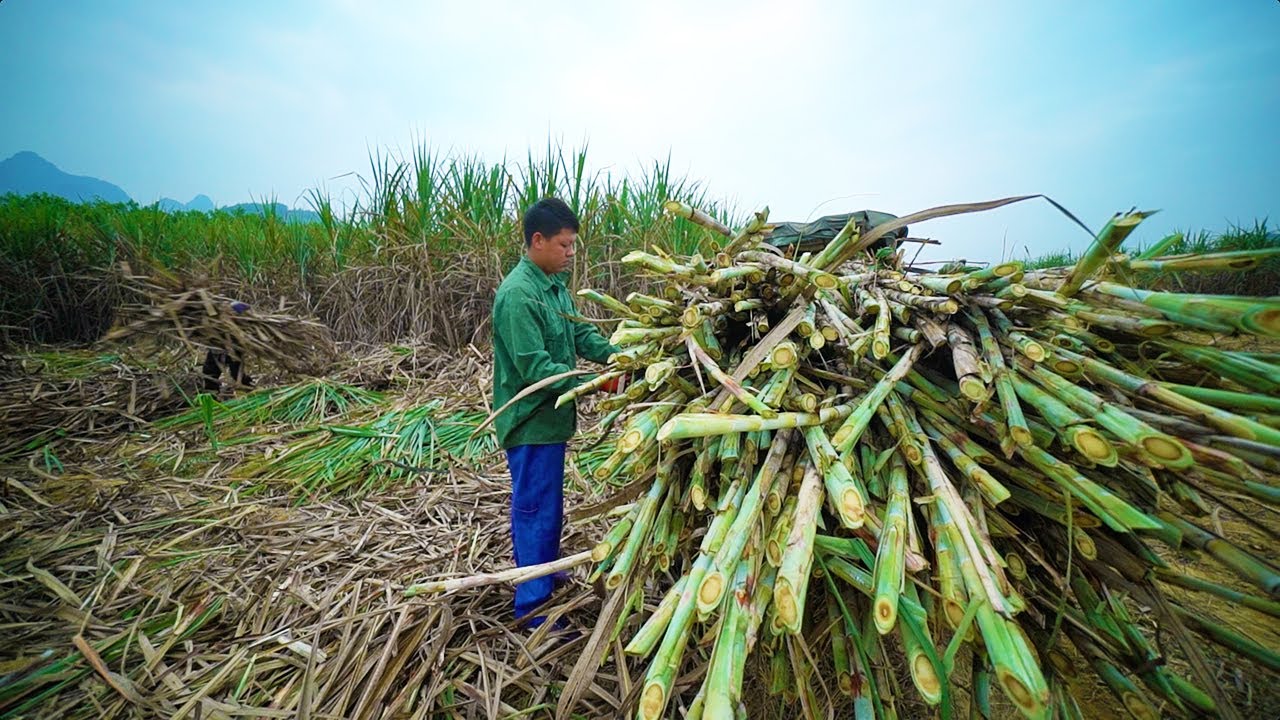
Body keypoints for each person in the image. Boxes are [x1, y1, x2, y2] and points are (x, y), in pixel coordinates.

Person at [491, 198, 620, 628]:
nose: (570, 254)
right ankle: (533, 608)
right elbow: (536, 370)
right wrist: (596, 383)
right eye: (564, 245)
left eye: (573, 247)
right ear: (538, 240)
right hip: (531, 423)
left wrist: (617, 358)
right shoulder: (517, 295)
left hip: (552, 422)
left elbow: (580, 332)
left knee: (548, 506)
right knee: (534, 509)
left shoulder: (552, 286)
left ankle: (545, 569)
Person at [201, 300, 255, 392]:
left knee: (237, 374)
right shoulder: (215, 316)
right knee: (209, 374)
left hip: (233, 350)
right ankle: (212, 396)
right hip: (216, 350)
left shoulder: (238, 315)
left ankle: (252, 390)